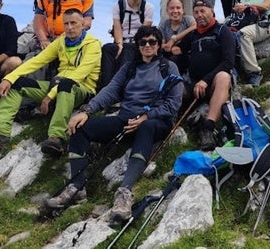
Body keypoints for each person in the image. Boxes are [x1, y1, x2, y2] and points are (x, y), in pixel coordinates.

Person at [44, 26, 184, 224]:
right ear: (137, 45)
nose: (147, 46)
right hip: (125, 119)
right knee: (80, 128)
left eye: (152, 42)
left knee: (146, 128)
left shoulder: (168, 67)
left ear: (159, 45)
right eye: (142, 42)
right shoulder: (129, 68)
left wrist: (146, 116)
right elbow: (111, 91)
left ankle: (124, 194)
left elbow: (174, 103)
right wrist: (86, 111)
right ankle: (77, 187)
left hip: (155, 121)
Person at [0, 9, 101, 157]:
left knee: (65, 84)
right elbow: (37, 61)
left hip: (81, 89)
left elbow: (78, 75)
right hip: (57, 85)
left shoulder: (93, 45)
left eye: (74, 23)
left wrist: (50, 96)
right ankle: (0, 133)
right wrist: (9, 78)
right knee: (17, 83)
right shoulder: (61, 41)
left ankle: (56, 138)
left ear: (83, 24)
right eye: (66, 24)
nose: (69, 27)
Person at [179, 0, 235, 150]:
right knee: (175, 86)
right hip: (193, 83)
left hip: (213, 85)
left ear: (212, 11)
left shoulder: (224, 31)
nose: (199, 15)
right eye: (196, 12)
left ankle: (208, 128)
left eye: (203, 11)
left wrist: (205, 80)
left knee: (224, 76)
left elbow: (228, 62)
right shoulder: (192, 35)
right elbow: (178, 50)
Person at [99, 0, 154, 89]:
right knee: (108, 48)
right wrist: (119, 44)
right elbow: (117, 27)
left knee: (128, 49)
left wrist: (131, 44)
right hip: (121, 40)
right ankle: (105, 88)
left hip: (137, 43)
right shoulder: (118, 5)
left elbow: (143, 31)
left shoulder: (148, 7)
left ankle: (120, 88)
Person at [159, 0, 196, 76]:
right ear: (167, 10)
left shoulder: (188, 19)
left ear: (183, 10)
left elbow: (195, 27)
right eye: (172, 8)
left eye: (178, 8)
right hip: (169, 55)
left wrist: (173, 39)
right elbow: (161, 44)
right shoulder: (164, 24)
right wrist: (171, 48)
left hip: (187, 54)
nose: (175, 11)